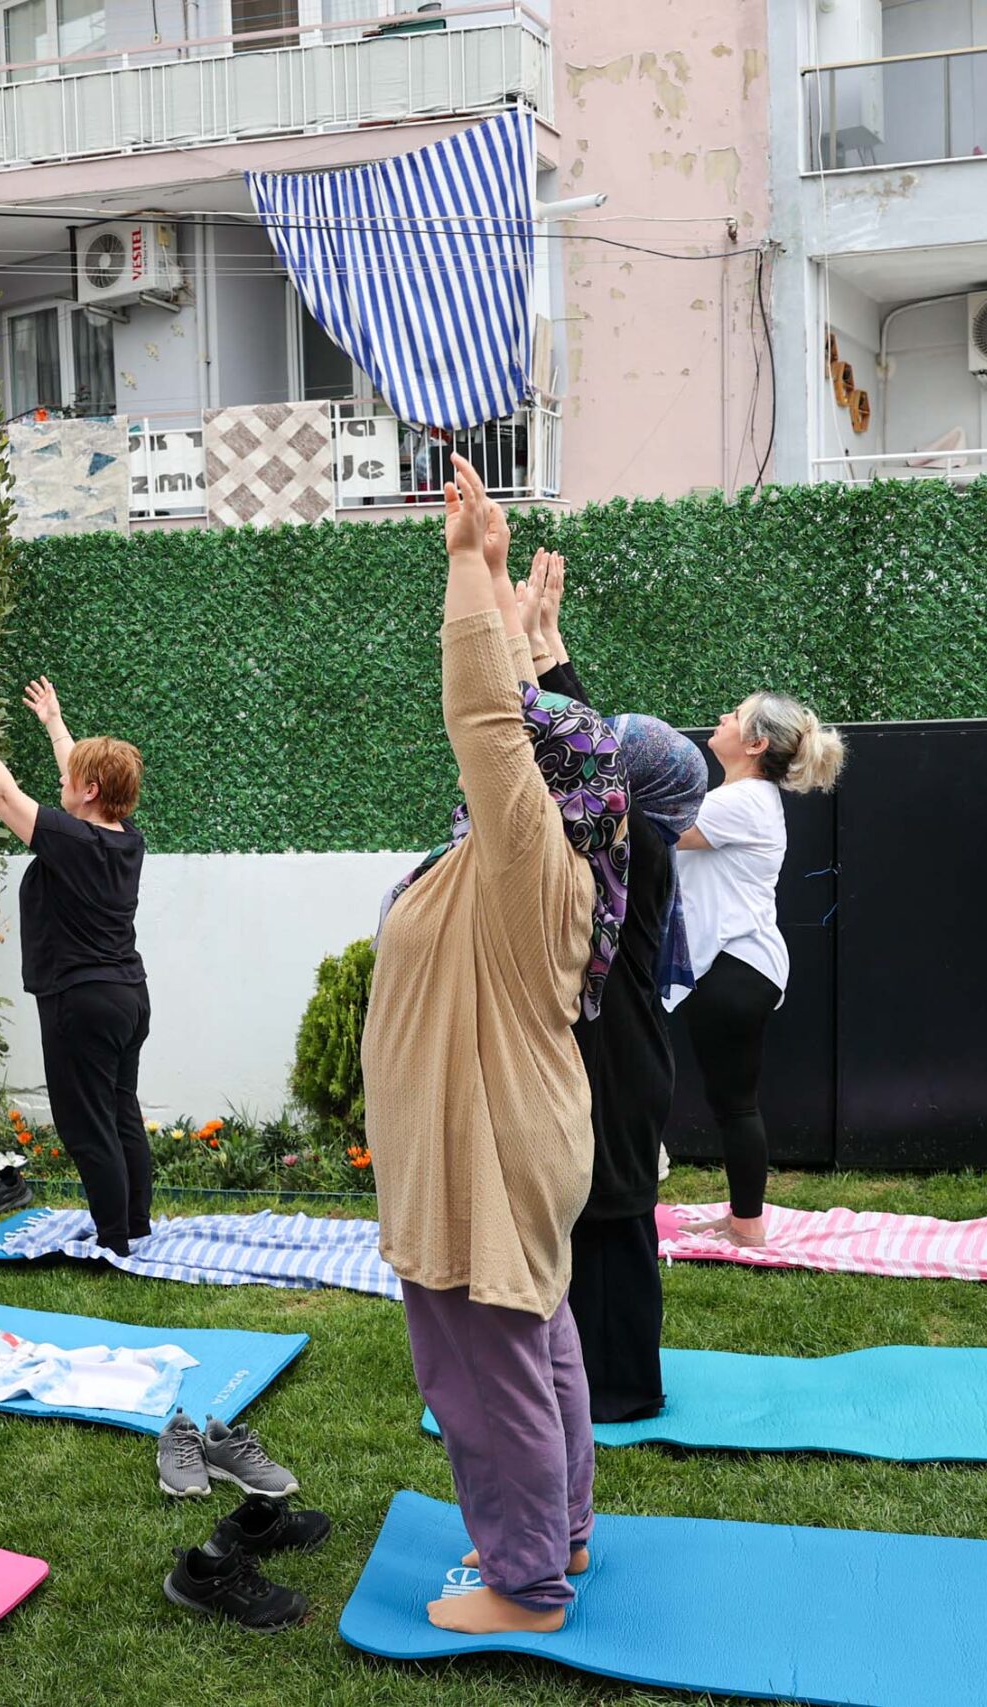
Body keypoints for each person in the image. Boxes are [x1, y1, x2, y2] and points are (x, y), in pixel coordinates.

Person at [362, 455, 627, 1637]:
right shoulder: (547, 855)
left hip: (490, 1147)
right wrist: (511, 595)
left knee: (484, 1374)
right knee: (536, 1341)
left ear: (536, 784)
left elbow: (483, 713)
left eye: (521, 757)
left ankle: (525, 1588)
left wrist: (467, 568)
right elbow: (517, 715)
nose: (496, 762)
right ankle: (556, 1532)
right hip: (516, 1138)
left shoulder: (528, 859)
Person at [519, 546, 708, 1423]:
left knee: (616, 1222)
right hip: (625, 1062)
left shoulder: (638, 852)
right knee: (602, 1219)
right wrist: (545, 642)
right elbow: (593, 754)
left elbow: (583, 763)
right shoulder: (642, 841)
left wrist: (530, 659)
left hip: (621, 1072)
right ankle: (600, 1376)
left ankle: (623, 1387)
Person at [0, 669, 151, 1257]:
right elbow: (81, 784)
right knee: (120, 1110)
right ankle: (134, 1224)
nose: (63, 779)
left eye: (72, 777)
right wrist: (55, 725)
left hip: (81, 1001)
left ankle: (113, 1240)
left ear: (90, 791)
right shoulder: (123, 839)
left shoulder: (74, 842)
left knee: (88, 1125)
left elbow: (2, 797)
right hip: (128, 997)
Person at [666, 690, 844, 1246]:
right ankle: (744, 1219)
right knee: (730, 1101)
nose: (723, 717)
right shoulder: (739, 797)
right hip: (734, 968)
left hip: (735, 968)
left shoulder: (742, 802)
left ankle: (748, 1226)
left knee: (735, 1102)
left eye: (736, 715)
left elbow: (657, 831)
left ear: (756, 743)